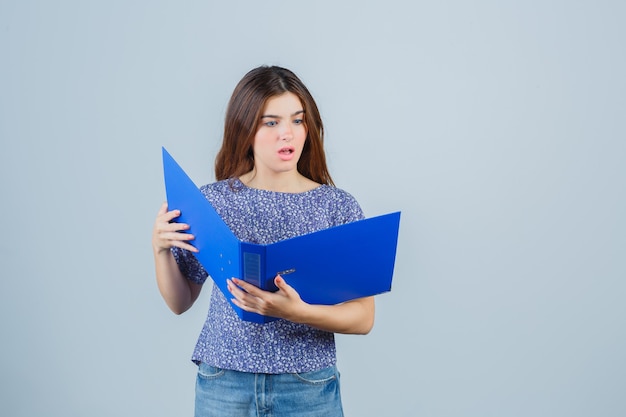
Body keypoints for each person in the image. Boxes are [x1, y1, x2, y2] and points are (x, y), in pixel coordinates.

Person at [152, 65, 375, 417]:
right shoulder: (215, 202)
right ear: (246, 129)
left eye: (298, 120)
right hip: (224, 383)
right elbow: (180, 302)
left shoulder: (337, 207)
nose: (287, 133)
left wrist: (298, 313)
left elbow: (363, 318)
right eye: (271, 122)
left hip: (307, 386)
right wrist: (161, 250)